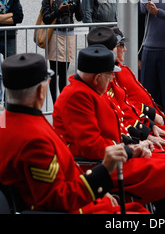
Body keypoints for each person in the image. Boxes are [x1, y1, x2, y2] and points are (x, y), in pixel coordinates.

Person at [53, 44, 165, 214]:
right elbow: (92, 146)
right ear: (97, 78)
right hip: (100, 165)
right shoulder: (78, 96)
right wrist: (130, 150)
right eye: (109, 75)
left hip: (112, 158)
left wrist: (135, 144)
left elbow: (115, 127)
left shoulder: (89, 91)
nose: (113, 78)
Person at [0, 52, 149, 214]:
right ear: (40, 92)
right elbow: (56, 200)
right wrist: (102, 173)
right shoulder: (34, 140)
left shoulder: (8, 121)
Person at [87, 25, 165, 202]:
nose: (124, 49)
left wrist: (146, 130)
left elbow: (123, 111)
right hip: (119, 153)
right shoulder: (86, 95)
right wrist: (139, 140)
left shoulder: (111, 77)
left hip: (133, 138)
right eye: (120, 45)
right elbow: (117, 121)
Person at [41, 0, 82, 102]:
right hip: (55, 35)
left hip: (69, 35)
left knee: (65, 72)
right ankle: (55, 102)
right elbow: (46, 18)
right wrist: (58, 11)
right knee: (54, 72)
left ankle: (63, 102)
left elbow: (80, 17)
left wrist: (78, 0)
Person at [0, 0, 23, 109]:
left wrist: (2, 17)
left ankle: (8, 102)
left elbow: (19, 17)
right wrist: (10, 15)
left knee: (10, 71)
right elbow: (14, 16)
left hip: (10, 37)